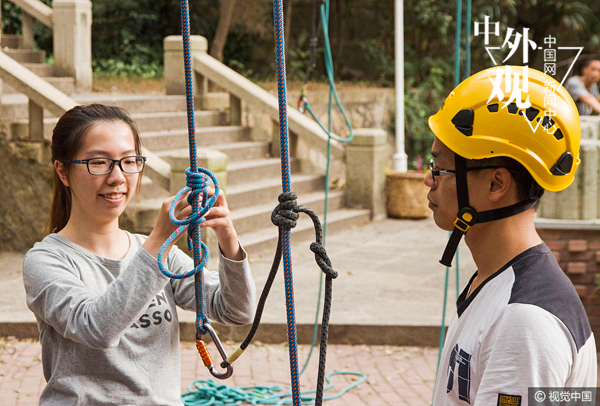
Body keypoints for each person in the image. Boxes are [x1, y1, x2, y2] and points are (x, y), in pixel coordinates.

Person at [22, 104, 257, 406]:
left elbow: (235, 311)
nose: (118, 177)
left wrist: (228, 238)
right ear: (63, 171)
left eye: (129, 161)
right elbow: (97, 328)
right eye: (99, 162)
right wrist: (160, 240)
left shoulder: (158, 254)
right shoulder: (46, 261)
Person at [426, 66, 597, 405]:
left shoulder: (525, 321)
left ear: (496, 184)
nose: (429, 180)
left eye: (439, 168)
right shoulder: (499, 281)